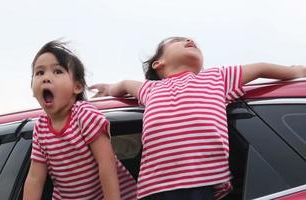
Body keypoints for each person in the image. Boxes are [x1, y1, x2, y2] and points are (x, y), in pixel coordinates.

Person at [89, 37, 306, 200]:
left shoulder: (215, 78)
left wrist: (297, 70)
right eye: (178, 40)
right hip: (154, 188)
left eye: (192, 41)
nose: (189, 40)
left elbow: (260, 69)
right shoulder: (151, 89)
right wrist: (108, 88)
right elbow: (126, 84)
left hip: (202, 183)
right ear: (158, 63)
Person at [23, 40, 137, 200]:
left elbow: (107, 163)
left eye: (57, 71)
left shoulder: (84, 115)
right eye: (39, 73)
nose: (46, 78)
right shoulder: (40, 128)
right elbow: (35, 178)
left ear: (77, 87)